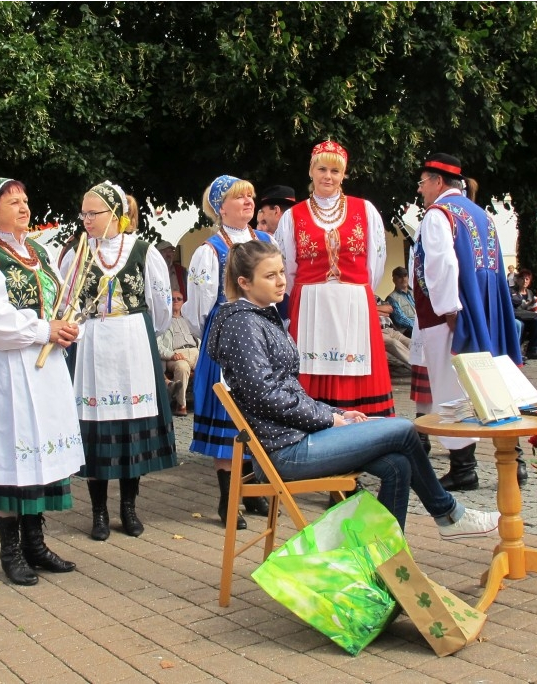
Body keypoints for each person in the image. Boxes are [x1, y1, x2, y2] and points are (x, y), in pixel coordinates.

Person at [208, 239, 500, 536]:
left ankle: (384, 559)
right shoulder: (243, 324)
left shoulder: (260, 318)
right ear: (244, 282)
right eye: (270, 276)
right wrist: (330, 419)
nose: (281, 280)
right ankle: (449, 515)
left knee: (397, 464)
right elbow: (267, 396)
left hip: (297, 438)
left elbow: (288, 392)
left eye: (282, 272)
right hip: (284, 451)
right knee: (403, 429)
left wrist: (338, 412)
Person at [0, 177, 84, 585]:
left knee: (38, 451)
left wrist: (66, 325)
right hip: (5, 366)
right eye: (13, 202)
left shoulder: (36, 251)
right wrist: (45, 330)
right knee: (13, 450)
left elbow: (59, 300)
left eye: (26, 200)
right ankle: (10, 551)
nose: (24, 208)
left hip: (42, 366)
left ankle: (35, 543)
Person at [61, 181, 177, 541]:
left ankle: (129, 508)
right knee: (97, 428)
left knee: (130, 427)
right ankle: (98, 512)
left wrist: (141, 333)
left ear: (114, 214)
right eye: (83, 213)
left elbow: (161, 307)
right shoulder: (76, 253)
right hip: (93, 344)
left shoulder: (143, 251)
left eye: (92, 213)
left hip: (131, 345)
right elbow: (66, 302)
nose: (86, 219)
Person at [412, 153, 522, 491]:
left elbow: (440, 265)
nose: (420, 190)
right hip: (486, 309)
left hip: (453, 314)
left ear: (438, 182)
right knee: (494, 380)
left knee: (451, 386)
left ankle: (464, 468)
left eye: (422, 182)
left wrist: (448, 311)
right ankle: (515, 460)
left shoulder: (438, 215)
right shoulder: (482, 215)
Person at [273, 140, 394, 417]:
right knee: (310, 366)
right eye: (322, 169)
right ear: (311, 171)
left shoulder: (366, 211)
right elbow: (287, 266)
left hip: (354, 302)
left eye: (335, 171)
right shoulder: (292, 216)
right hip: (311, 304)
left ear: (343, 175)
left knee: (356, 364)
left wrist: (357, 291)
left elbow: (375, 262)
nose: (328, 176)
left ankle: (365, 436)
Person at [184, 176, 274, 530]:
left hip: (263, 340)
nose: (249, 202)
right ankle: (228, 500)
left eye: (251, 196)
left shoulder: (266, 242)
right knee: (229, 424)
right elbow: (199, 311)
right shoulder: (210, 251)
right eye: (240, 198)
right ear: (221, 207)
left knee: (258, 415)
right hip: (227, 344)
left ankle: (252, 491)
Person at [156, 290, 198, 416]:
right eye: (172, 299)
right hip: (176, 355)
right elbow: (157, 346)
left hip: (195, 352)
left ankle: (212, 403)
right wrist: (171, 355)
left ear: (183, 302)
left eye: (179, 299)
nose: (175, 301)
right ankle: (181, 405)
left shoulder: (189, 320)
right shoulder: (163, 322)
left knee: (211, 364)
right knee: (182, 367)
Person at [375, 296, 411, 369]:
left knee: (410, 342)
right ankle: (418, 366)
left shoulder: (376, 296)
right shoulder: (360, 299)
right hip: (377, 332)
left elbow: (389, 309)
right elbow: (364, 310)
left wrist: (372, 309)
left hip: (390, 329)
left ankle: (427, 362)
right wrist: (379, 309)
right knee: (394, 343)